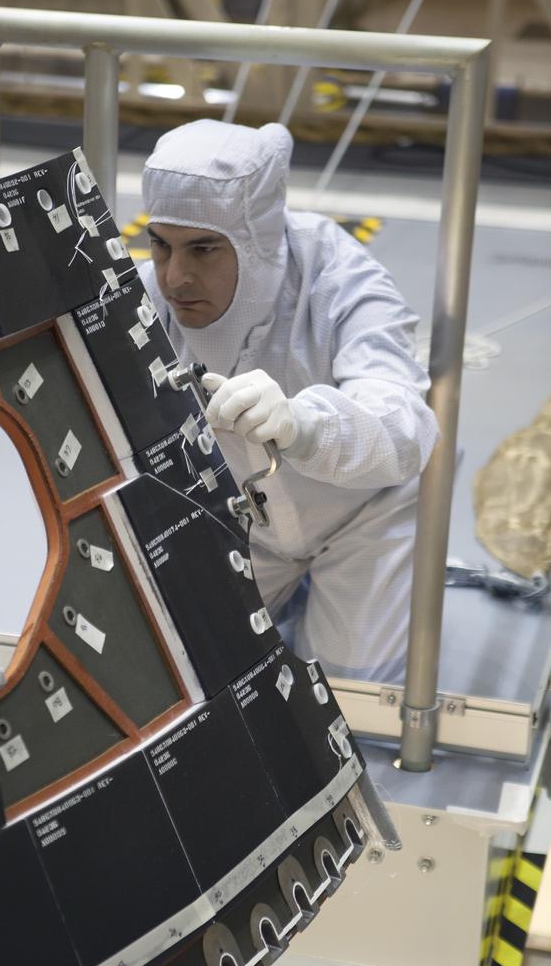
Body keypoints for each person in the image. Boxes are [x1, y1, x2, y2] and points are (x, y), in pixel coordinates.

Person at [141, 119, 438, 683]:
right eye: (160, 244)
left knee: (348, 695)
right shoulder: (145, 298)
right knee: (176, 677)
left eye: (203, 249)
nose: (175, 276)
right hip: (238, 522)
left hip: (361, 516)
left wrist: (305, 426)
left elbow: (405, 429)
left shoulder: (341, 281)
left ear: (254, 245)